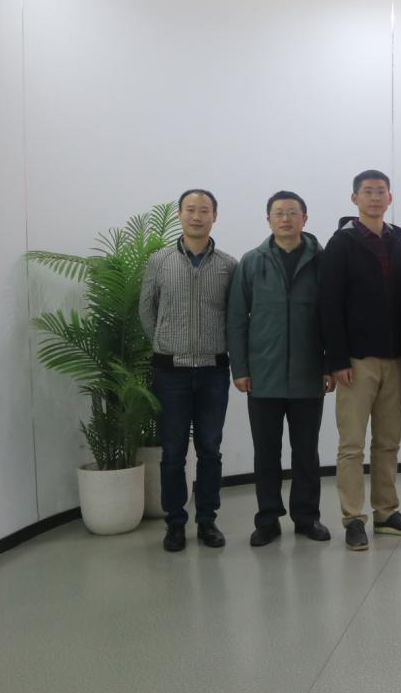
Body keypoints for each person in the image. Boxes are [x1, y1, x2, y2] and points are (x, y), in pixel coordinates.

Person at [320, 169, 401, 551]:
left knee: (388, 442)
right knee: (351, 445)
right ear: (355, 199)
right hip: (355, 361)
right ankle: (353, 518)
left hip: (395, 359)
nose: (375, 197)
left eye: (381, 191)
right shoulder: (341, 243)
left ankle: (386, 512)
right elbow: (329, 304)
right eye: (368, 191)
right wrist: (336, 360)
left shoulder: (400, 242)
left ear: (390, 198)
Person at [226, 191, 335, 547]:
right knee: (266, 453)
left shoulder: (323, 261)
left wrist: (330, 365)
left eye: (292, 212)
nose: (285, 219)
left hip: (308, 373)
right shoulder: (251, 262)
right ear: (268, 219)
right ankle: (267, 519)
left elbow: (333, 318)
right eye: (278, 213)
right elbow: (236, 318)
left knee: (306, 453)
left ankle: (307, 517)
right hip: (263, 374)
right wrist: (240, 368)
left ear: (305, 218)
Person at [139, 188, 237, 552]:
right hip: (171, 373)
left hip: (214, 371)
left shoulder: (228, 265)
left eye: (204, 210)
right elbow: (146, 309)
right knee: (173, 452)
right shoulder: (160, 261)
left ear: (215, 216)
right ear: (180, 214)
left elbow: (234, 315)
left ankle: (207, 520)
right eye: (190, 210)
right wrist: (165, 343)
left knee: (210, 449)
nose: (197, 216)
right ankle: (175, 523)